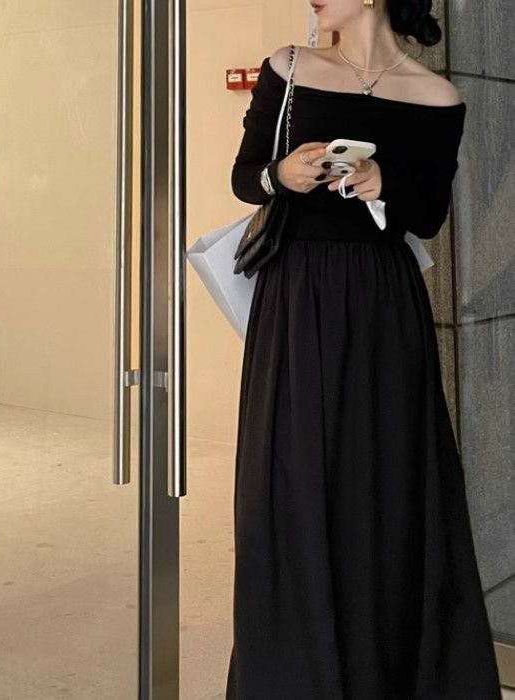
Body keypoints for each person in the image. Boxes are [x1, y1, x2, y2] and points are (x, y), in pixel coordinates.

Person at [225, 1, 503, 698]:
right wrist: (282, 176)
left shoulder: (436, 96)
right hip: (295, 298)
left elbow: (429, 215)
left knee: (387, 484)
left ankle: (392, 673)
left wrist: (386, 187)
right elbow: (245, 175)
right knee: (288, 483)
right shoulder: (290, 68)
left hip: (383, 305)